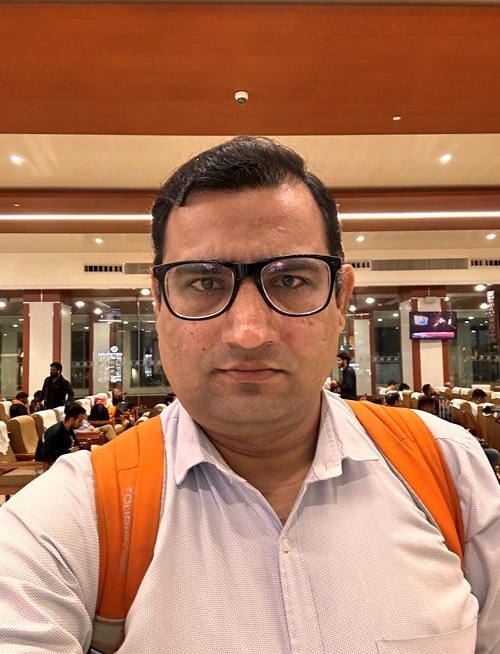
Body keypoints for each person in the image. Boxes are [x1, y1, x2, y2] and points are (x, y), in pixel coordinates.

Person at [0, 136, 498, 653]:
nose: (248, 333)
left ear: (340, 298)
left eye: (291, 280)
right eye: (203, 283)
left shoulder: (447, 466)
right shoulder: (76, 513)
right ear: (160, 303)